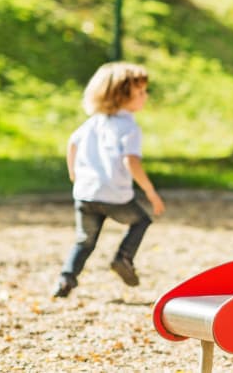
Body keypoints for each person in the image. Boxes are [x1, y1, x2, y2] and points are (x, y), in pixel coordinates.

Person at [52, 62, 165, 298]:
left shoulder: (93, 122)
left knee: (84, 240)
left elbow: (72, 144)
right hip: (115, 196)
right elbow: (131, 162)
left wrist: (74, 174)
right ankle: (123, 258)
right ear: (121, 96)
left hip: (86, 194)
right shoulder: (129, 127)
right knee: (141, 221)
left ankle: (66, 280)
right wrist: (150, 191)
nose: (146, 96)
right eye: (141, 92)